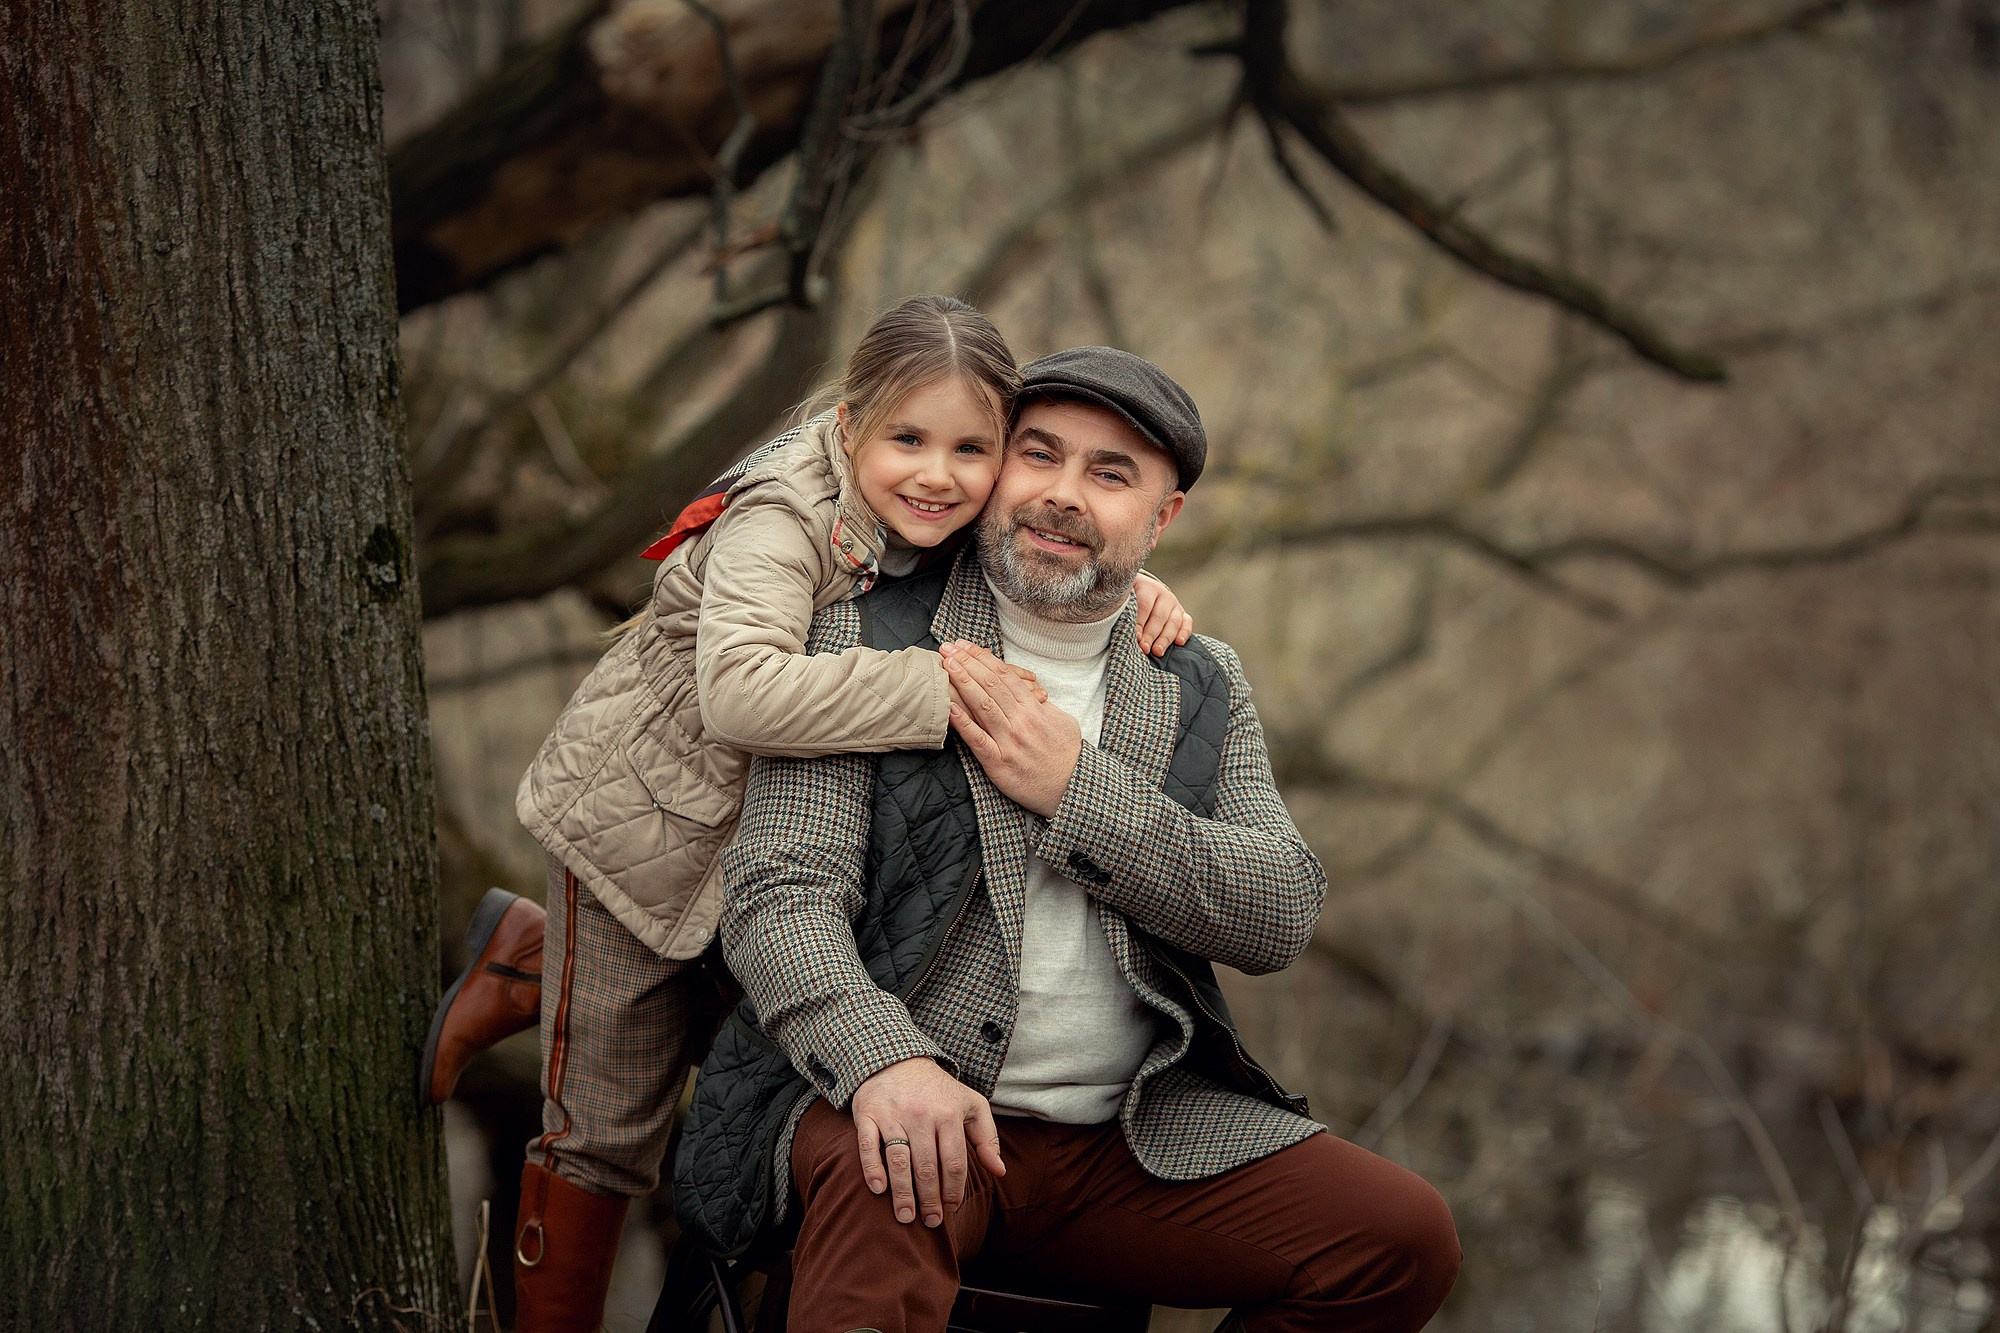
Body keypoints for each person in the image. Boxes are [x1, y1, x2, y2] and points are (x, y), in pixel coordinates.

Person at [415, 297, 1195, 1331]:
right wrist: (943, 694)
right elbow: (740, 693)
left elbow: (1052, 550)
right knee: (607, 1128)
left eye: (972, 450)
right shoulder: (779, 519)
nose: (938, 473)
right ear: (847, 422)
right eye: (907, 439)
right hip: (641, 837)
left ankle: (536, 961)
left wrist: (1138, 586)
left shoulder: (943, 516)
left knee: (764, 1059)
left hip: (764, 847)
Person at [675, 346, 1462, 1333]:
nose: (1059, 495)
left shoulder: (1195, 680)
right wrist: (885, 1062)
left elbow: (1278, 908)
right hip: (894, 1100)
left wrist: (1077, 793)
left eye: (1109, 474)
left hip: (1127, 1143)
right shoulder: (869, 628)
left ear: (1161, 517)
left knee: (1397, 1236)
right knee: (893, 1180)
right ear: (996, 464)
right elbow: (777, 893)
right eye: (1037, 455)